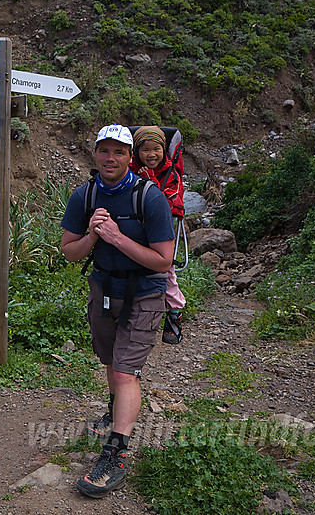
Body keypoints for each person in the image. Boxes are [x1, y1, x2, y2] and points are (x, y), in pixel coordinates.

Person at [60, 124, 175, 498]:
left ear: (131, 157)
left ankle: (116, 454)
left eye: (119, 152)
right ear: (95, 154)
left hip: (144, 293)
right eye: (103, 151)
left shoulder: (150, 198)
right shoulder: (85, 195)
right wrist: (93, 235)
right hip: (105, 290)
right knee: (110, 359)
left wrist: (116, 238)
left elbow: (163, 261)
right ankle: (113, 413)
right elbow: (69, 252)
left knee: (126, 372)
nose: (110, 159)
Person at [129, 125, 186, 344]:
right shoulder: (130, 169)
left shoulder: (172, 174)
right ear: (136, 152)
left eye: (156, 149)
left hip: (159, 234)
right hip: (133, 231)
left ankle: (174, 314)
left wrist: (150, 182)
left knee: (167, 273)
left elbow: (171, 202)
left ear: (164, 150)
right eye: (145, 150)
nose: (151, 154)